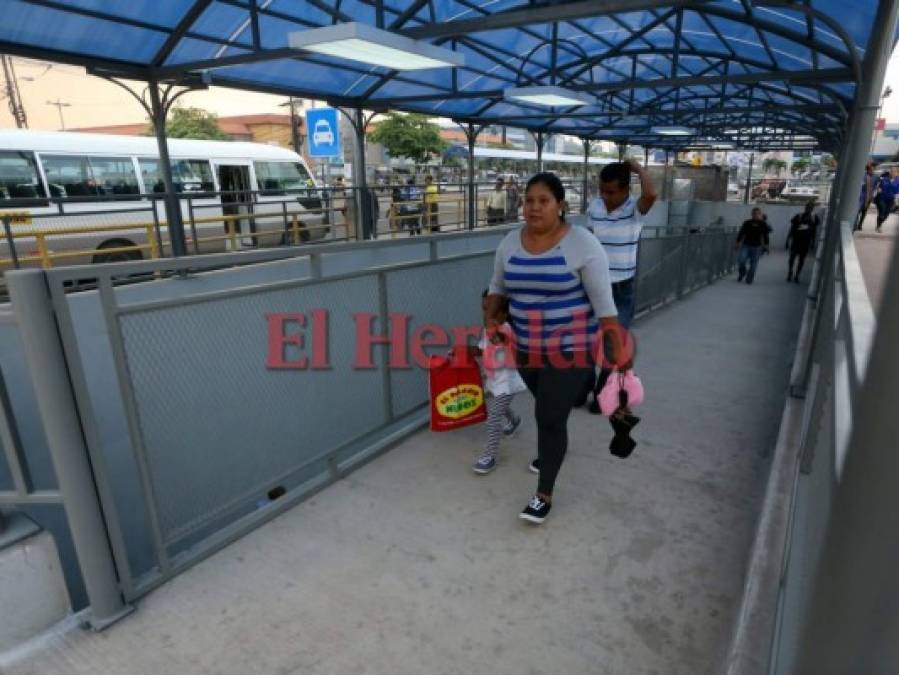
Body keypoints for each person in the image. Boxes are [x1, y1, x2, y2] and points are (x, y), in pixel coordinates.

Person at [485, 172, 627, 525]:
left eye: (543, 201)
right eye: (529, 200)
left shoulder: (582, 243)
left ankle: (543, 493)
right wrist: (491, 326)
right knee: (548, 406)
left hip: (572, 347)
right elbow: (497, 289)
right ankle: (577, 396)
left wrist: (618, 355)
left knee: (548, 417)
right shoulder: (509, 243)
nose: (534, 207)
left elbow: (605, 306)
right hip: (527, 348)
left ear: (560, 205)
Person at [583, 159, 657, 411]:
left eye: (611, 192)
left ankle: (602, 390)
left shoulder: (634, 209)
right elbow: (589, 244)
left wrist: (636, 168)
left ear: (626, 190)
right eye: (602, 190)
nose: (605, 196)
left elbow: (651, 193)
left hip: (622, 288)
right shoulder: (594, 207)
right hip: (593, 286)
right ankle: (583, 387)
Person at [460, 290, 526, 475]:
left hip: (508, 381)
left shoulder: (507, 330)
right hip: (494, 379)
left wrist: (496, 334)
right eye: (484, 309)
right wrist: (463, 350)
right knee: (500, 406)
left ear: (504, 314)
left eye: (492, 311)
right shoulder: (487, 330)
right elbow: (482, 349)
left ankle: (490, 456)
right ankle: (515, 421)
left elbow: (502, 340)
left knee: (494, 416)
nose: (486, 314)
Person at [786, 202, 819, 283]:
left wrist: (813, 242)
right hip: (796, 241)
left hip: (805, 243)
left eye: (810, 208)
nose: (809, 209)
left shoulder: (814, 218)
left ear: (812, 209)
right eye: (807, 207)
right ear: (805, 208)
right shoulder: (799, 216)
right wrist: (787, 240)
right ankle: (790, 272)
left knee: (801, 260)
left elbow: (814, 231)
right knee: (792, 258)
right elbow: (792, 228)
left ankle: (797, 275)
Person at [735, 207, 770, 284]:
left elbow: (766, 236)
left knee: (753, 264)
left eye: (758, 214)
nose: (756, 215)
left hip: (757, 247)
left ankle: (749, 278)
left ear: (760, 215)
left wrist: (766, 246)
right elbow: (741, 233)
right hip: (746, 245)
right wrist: (738, 242)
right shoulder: (747, 223)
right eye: (754, 213)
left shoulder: (763, 224)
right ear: (751, 214)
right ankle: (742, 272)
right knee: (741, 260)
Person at [873, 167, 898, 232]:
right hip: (882, 198)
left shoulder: (898, 181)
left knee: (886, 214)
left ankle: (879, 225)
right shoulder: (884, 179)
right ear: (890, 172)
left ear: (897, 173)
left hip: (891, 199)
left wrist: (897, 199)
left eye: (894, 172)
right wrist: (878, 189)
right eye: (891, 171)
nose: (892, 173)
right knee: (882, 210)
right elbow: (879, 187)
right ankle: (879, 226)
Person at [856, 161, 875, 231]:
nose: (873, 171)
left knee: (864, 213)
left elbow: (872, 188)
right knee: (858, 211)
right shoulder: (863, 176)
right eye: (871, 169)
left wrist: (871, 197)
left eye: (873, 169)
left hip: (868, 198)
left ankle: (860, 225)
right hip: (862, 198)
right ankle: (856, 224)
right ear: (868, 170)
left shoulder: (873, 177)